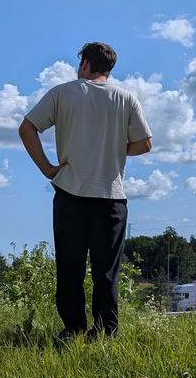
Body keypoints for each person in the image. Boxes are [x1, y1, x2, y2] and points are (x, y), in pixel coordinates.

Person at [19, 42, 153, 342]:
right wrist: (115, 149)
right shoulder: (126, 98)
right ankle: (105, 332)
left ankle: (73, 328)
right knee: (106, 272)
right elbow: (145, 144)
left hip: (70, 192)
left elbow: (27, 128)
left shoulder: (62, 93)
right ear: (109, 69)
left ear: (85, 65)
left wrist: (47, 168)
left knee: (70, 267)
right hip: (111, 196)